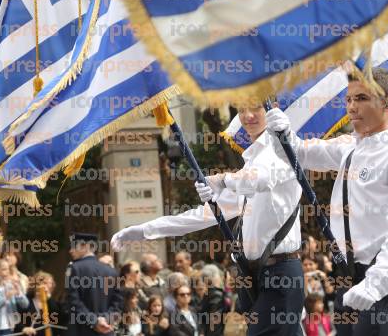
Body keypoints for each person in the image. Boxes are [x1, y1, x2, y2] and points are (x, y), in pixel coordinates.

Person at [111, 104, 305, 335]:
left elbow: (258, 179)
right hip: (251, 275)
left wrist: (222, 181)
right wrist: (144, 230)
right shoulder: (251, 160)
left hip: (280, 272)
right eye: (243, 110)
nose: (248, 116)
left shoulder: (283, 150)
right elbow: (202, 216)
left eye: (256, 108)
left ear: (271, 109)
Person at [266, 63, 388, 336]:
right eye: (349, 99)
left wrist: (376, 283)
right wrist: (281, 133)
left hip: (384, 276)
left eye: (362, 99)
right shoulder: (349, 146)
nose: (351, 107)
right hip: (347, 274)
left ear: (387, 103)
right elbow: (299, 154)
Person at [65, 232, 123, 336]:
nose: (70, 251)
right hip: (106, 330)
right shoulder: (111, 271)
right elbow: (117, 303)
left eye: (74, 246)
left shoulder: (74, 268)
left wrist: (94, 321)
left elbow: (73, 301)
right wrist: (105, 319)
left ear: (85, 246)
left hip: (82, 330)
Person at [14, 271, 65, 336]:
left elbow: (59, 318)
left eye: (50, 283)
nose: (47, 286)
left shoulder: (52, 302)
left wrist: (48, 298)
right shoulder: (26, 300)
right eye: (44, 283)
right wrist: (23, 328)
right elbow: (15, 318)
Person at [198, 264, 225, 336]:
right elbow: (215, 321)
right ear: (215, 277)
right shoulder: (216, 295)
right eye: (219, 275)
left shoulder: (207, 294)